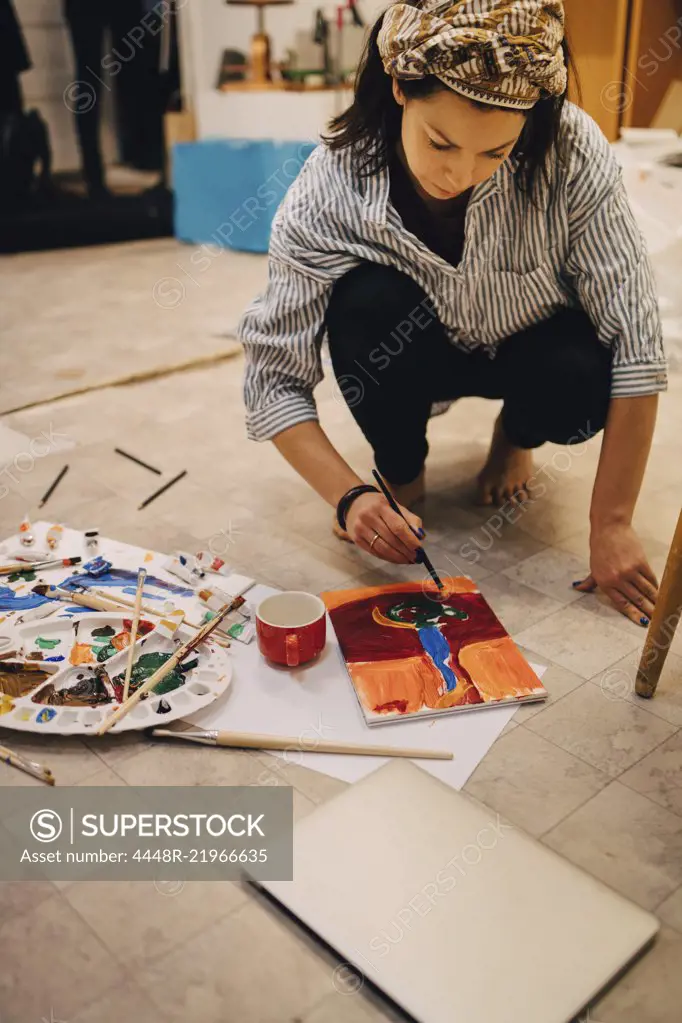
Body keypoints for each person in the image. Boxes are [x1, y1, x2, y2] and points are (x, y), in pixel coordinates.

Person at [238, 0, 667, 627]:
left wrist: (613, 523)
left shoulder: (572, 151)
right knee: (366, 305)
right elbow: (272, 377)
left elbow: (637, 342)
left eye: (495, 153)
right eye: (440, 142)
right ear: (399, 87)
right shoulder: (334, 181)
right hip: (414, 348)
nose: (460, 173)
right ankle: (401, 472)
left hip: (530, 349)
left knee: (580, 371)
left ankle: (515, 436)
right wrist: (349, 496)